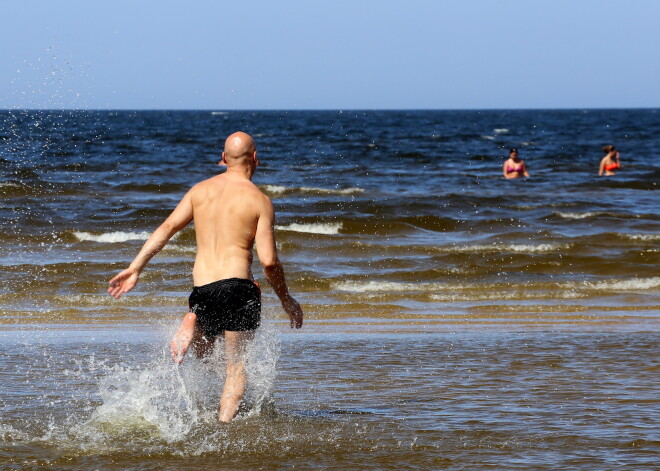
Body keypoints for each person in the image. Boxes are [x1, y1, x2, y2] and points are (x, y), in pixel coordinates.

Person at [107, 131, 303, 423]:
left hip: (202, 291)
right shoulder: (259, 200)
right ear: (255, 159)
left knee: (207, 357)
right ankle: (224, 429)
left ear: (223, 159)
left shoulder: (199, 191)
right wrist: (286, 299)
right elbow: (269, 262)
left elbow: (167, 228)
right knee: (235, 368)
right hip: (238, 288)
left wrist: (135, 267)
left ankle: (192, 317)